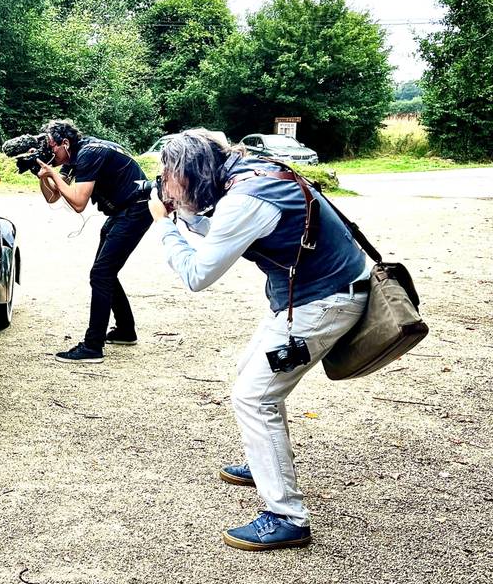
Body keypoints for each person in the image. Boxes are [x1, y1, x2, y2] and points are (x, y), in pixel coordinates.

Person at [148, 129, 371, 551]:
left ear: (193, 172)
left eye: (169, 175)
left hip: (324, 302)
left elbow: (198, 276)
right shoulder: (252, 173)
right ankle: (261, 460)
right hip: (317, 293)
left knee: (254, 396)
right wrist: (190, 219)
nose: (165, 183)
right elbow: (234, 232)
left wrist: (165, 227)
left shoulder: (243, 199)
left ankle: (286, 516)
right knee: (251, 371)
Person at [34, 119, 153, 364]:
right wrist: (43, 176)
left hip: (136, 209)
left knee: (101, 274)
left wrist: (53, 173)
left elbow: (78, 203)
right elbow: (53, 197)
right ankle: (126, 331)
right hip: (123, 211)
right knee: (104, 273)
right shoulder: (73, 155)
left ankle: (92, 346)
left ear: (65, 143)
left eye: (52, 147)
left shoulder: (89, 153)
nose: (50, 152)